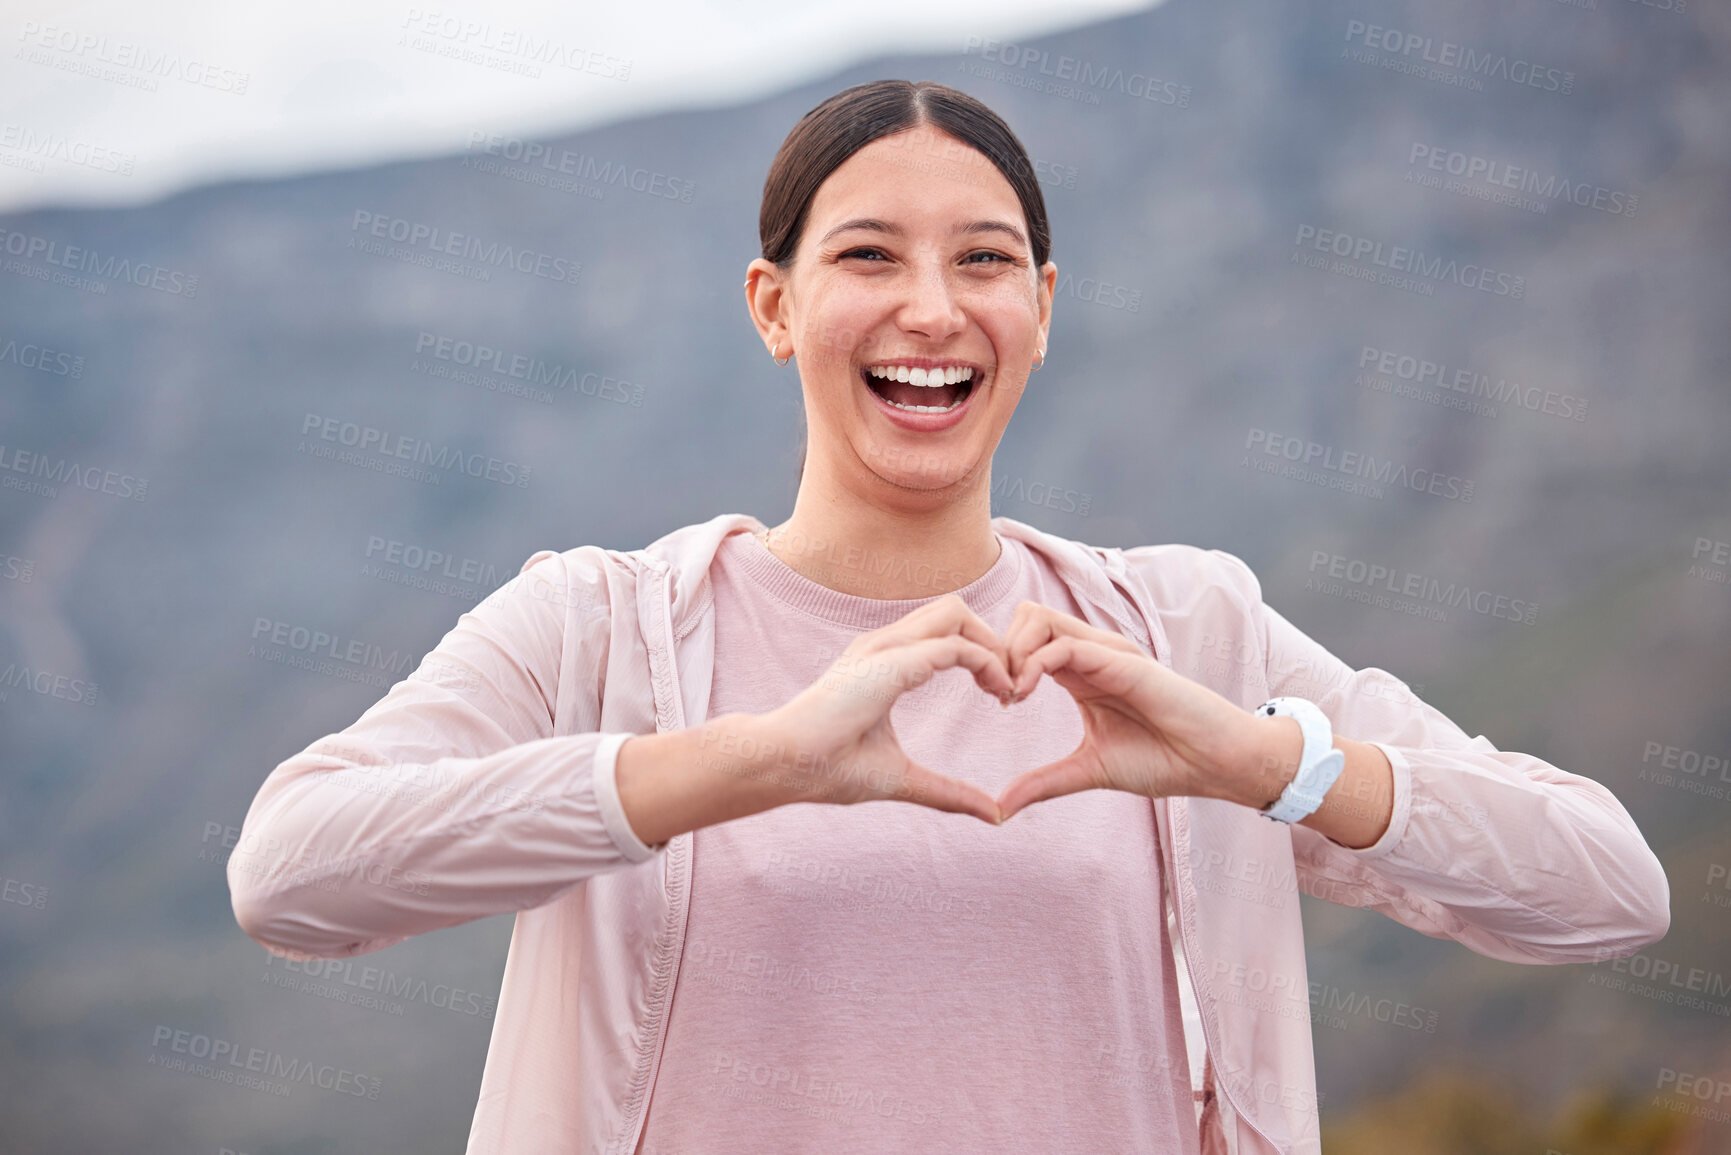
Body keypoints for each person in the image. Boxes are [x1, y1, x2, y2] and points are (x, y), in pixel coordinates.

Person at [227, 79, 1670, 1155]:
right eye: (866, 257)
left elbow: (1609, 891)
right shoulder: (592, 628)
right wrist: (756, 764)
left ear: (1040, 308)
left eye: (983, 261)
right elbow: (291, 876)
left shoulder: (1184, 626)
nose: (932, 308)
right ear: (773, 306)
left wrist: (1268, 766)